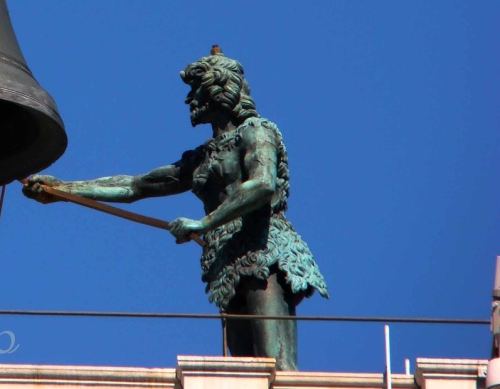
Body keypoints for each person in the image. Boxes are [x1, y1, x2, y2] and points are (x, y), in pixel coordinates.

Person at [23, 47, 327, 370]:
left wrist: (202, 224)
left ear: (217, 90)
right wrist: (62, 189)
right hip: (229, 266)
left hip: (265, 255)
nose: (189, 100)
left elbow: (263, 184)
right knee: (245, 373)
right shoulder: (201, 158)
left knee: (279, 370)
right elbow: (134, 186)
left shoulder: (256, 132)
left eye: (195, 91)